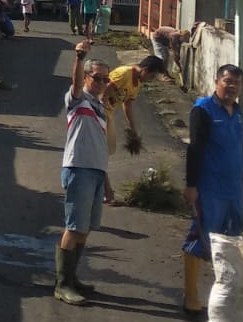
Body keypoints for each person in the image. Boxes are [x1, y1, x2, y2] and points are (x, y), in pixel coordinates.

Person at [183, 64, 243, 314]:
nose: (231, 87)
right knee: (201, 235)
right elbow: (195, 148)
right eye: (227, 81)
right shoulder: (203, 110)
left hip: (233, 188)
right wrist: (191, 185)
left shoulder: (237, 111)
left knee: (231, 240)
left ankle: (226, 292)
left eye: (236, 83)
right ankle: (190, 296)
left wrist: (242, 181)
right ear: (217, 81)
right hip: (209, 187)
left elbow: (239, 147)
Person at [54, 42, 110, 306]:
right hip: (78, 169)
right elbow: (75, 83)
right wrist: (79, 57)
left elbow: (100, 146)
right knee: (74, 228)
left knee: (85, 230)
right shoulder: (77, 99)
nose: (100, 83)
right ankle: (62, 284)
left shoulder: (100, 108)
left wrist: (107, 182)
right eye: (96, 77)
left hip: (96, 172)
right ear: (86, 77)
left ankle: (72, 278)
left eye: (105, 79)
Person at [98, 53, 166, 205]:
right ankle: (107, 192)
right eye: (152, 76)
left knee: (103, 153)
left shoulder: (136, 84)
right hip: (99, 115)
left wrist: (133, 129)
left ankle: (104, 191)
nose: (151, 80)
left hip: (107, 116)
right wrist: (98, 116)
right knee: (100, 154)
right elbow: (103, 92)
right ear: (146, 70)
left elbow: (127, 105)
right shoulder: (125, 74)